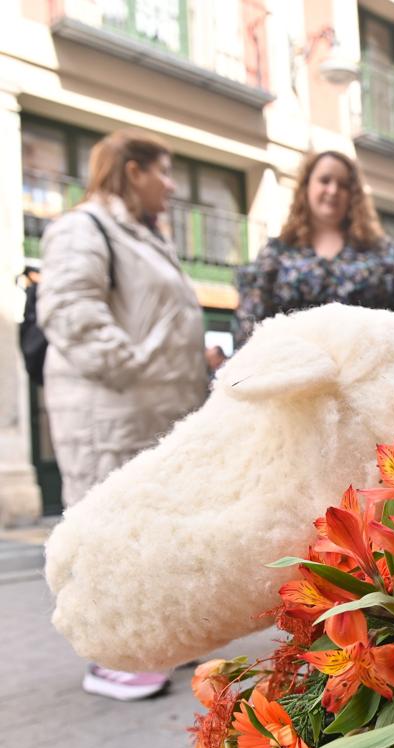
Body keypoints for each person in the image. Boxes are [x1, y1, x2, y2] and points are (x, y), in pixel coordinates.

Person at [37, 128, 208, 700]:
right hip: (107, 412)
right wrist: (131, 365)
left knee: (148, 529)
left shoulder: (141, 236)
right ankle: (108, 656)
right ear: (131, 170)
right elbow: (68, 310)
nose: (169, 185)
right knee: (103, 530)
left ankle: (150, 642)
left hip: (150, 410)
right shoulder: (84, 227)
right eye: (161, 171)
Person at [234, 150, 394, 347]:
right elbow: (250, 323)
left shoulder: (380, 251)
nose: (333, 190)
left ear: (353, 194)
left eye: (343, 185)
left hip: (365, 375)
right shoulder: (277, 253)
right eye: (325, 180)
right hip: (293, 375)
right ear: (307, 186)